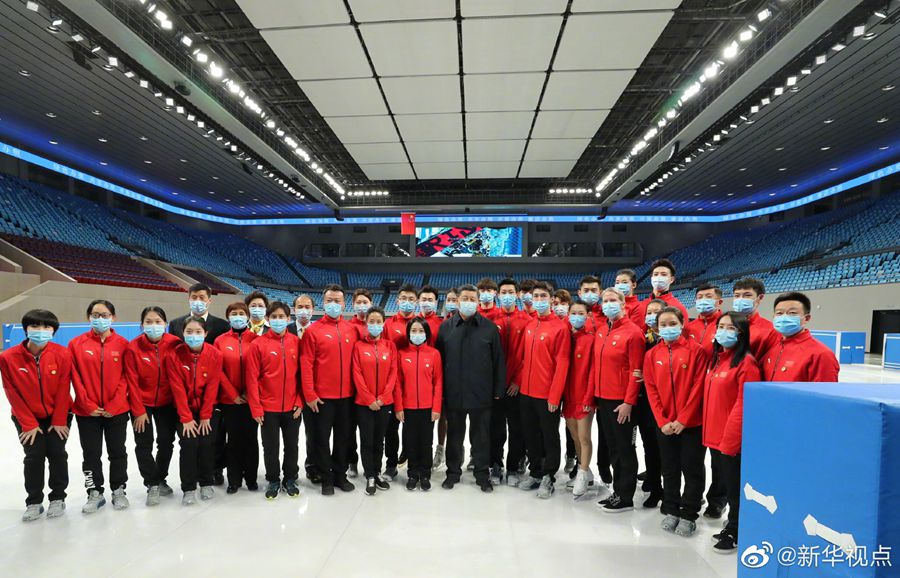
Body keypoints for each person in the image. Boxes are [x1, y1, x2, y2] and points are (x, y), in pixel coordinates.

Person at [642, 307, 709, 537]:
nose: (668, 328)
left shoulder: (697, 351)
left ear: (682, 324)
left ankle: (689, 513)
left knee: (692, 469)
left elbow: (698, 387)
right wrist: (662, 420)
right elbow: (651, 389)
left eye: (672, 323)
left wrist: (683, 419)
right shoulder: (652, 355)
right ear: (657, 327)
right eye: (663, 324)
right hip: (665, 424)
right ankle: (671, 508)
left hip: (691, 424)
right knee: (669, 469)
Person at [1, 309, 73, 522]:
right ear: (26, 329)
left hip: (58, 415)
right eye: (35, 326)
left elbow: (64, 388)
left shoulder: (62, 354)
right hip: (26, 417)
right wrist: (28, 423)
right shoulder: (8, 357)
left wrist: (59, 420)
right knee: (34, 457)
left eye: (46, 326)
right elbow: (11, 391)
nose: (41, 330)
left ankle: (58, 497)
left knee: (57, 454)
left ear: (53, 330)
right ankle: (34, 501)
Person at [436, 284, 505, 492]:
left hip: (481, 394)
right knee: (454, 436)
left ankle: (482, 474)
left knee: (481, 437)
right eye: (464, 298)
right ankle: (453, 473)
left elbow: (498, 361)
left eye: (472, 299)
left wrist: (498, 390)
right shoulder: (445, 328)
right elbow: (439, 363)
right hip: (454, 393)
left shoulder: (489, 328)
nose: (468, 302)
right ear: (457, 301)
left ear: (478, 302)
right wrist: (440, 393)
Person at [583, 288, 645, 513]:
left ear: (623, 304)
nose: (608, 304)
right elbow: (595, 367)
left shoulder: (633, 333)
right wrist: (592, 396)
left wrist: (629, 402)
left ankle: (625, 496)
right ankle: (617, 492)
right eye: (605, 300)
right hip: (603, 399)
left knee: (625, 449)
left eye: (613, 300)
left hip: (621, 402)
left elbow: (636, 371)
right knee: (613, 447)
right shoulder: (602, 331)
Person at [703, 311, 760, 553]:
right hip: (714, 436)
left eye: (730, 327)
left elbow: (744, 404)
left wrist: (731, 440)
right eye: (720, 326)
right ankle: (732, 524)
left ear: (741, 333)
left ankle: (736, 530)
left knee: (734, 488)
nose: (723, 331)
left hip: (730, 439)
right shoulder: (718, 359)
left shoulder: (746, 363)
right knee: (725, 482)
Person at [69, 299, 132, 513]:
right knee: (91, 454)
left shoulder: (123, 344)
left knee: (118, 452)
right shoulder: (76, 344)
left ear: (113, 318)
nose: (100, 319)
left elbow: (126, 377)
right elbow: (75, 376)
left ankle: (119, 489)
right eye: (95, 315)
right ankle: (94, 491)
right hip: (87, 412)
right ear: (88, 317)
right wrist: (86, 403)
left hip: (117, 411)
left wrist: (116, 404)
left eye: (105, 315)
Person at [301, 284, 359, 496]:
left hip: (347, 397)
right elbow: (306, 364)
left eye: (337, 301)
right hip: (322, 398)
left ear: (344, 304)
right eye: (329, 301)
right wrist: (310, 394)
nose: (333, 304)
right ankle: (326, 477)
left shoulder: (351, 330)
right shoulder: (313, 331)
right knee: (322, 440)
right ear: (323, 303)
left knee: (343, 439)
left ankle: (340, 475)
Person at [517, 281, 571, 499]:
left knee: (549, 436)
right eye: (536, 296)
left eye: (543, 296)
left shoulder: (560, 328)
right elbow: (523, 359)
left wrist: (555, 396)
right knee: (531, 435)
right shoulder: (530, 325)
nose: (538, 300)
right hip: (526, 392)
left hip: (547, 394)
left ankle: (549, 475)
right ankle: (535, 472)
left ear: (551, 299)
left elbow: (563, 363)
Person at [245, 301, 303, 500]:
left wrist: (300, 401)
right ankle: (273, 479)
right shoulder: (258, 344)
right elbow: (252, 378)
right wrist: (256, 407)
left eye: (282, 317)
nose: (278, 320)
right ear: (267, 319)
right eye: (274, 317)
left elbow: (302, 375)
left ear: (288, 319)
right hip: (268, 407)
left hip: (292, 407)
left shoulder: (296, 342)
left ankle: (290, 478)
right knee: (270, 447)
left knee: (292, 445)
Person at [125, 306, 181, 506]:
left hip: (167, 402)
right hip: (142, 404)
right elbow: (131, 381)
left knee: (166, 441)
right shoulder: (133, 348)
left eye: (158, 321)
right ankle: (152, 483)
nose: (153, 325)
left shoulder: (175, 343)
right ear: (141, 325)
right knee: (143, 443)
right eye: (148, 322)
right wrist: (138, 411)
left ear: (165, 324)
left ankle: (161, 477)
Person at [166, 317, 222, 505]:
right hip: (184, 411)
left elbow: (212, 386)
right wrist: (186, 418)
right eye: (189, 332)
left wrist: (206, 416)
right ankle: (188, 488)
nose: (193, 335)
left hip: (208, 409)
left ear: (205, 333)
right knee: (188, 445)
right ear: (183, 333)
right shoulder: (174, 355)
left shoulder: (215, 354)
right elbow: (177, 389)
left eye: (198, 332)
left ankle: (206, 482)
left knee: (207, 444)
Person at [351, 307, 399, 496]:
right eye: (371, 321)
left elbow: (393, 373)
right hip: (364, 404)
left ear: (383, 323)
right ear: (366, 323)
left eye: (379, 321)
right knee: (367, 440)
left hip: (385, 403)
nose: (375, 324)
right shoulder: (358, 346)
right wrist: (369, 398)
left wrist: (383, 397)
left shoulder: (390, 346)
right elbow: (357, 374)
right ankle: (369, 475)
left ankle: (377, 472)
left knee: (379, 440)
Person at [214, 302, 259, 494]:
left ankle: (251, 478)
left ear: (247, 316)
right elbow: (218, 370)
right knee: (233, 440)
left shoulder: (256, 340)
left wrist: (250, 393)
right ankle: (234, 479)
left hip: (251, 400)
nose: (238, 316)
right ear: (228, 317)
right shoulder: (220, 341)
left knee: (251, 439)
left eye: (242, 313)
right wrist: (232, 395)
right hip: (229, 400)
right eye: (234, 313)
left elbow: (259, 369)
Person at [490, 278, 530, 487]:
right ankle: (496, 465)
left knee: (517, 430)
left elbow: (529, 355)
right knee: (496, 430)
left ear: (517, 295)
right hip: (495, 386)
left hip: (516, 387)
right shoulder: (489, 320)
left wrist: (518, 380)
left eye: (510, 292)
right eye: (503, 292)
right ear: (498, 295)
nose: (507, 295)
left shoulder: (526, 320)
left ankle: (513, 467)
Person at [396, 318, 443, 491]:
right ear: (408, 333)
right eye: (413, 331)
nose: (417, 334)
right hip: (408, 407)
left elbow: (438, 382)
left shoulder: (434, 354)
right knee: (410, 441)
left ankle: (425, 473)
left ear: (427, 334)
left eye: (421, 331)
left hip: (427, 408)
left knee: (426, 441)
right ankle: (412, 473)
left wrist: (436, 407)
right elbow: (398, 383)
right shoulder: (402, 354)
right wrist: (399, 406)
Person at [577, 275, 612, 486]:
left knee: (606, 431)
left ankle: (604, 466)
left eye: (594, 290)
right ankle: (579, 465)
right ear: (579, 292)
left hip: (605, 384)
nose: (590, 293)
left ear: (599, 292)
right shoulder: (575, 317)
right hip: (582, 384)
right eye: (586, 290)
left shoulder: (606, 317)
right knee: (578, 430)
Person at [383, 284, 419, 479]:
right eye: (403, 298)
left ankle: (412, 459)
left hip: (414, 385)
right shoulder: (388, 324)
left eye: (411, 299)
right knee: (391, 428)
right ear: (397, 301)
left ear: (416, 302)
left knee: (413, 428)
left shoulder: (420, 324)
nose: (407, 302)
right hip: (392, 384)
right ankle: (391, 464)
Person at [763, 292, 840, 382]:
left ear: (806, 318)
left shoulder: (821, 355)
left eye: (792, 313)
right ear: (773, 317)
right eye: (779, 313)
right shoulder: (772, 347)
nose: (784, 317)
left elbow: (825, 390)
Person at [563, 300, 595, 498]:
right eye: (573, 313)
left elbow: (593, 371)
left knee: (584, 437)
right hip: (568, 396)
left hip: (583, 395)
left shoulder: (591, 339)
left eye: (580, 313)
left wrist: (589, 398)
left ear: (588, 315)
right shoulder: (565, 337)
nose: (576, 316)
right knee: (574, 436)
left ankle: (582, 475)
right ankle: (585, 469)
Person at [287, 294, 320, 484]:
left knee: (313, 432)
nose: (304, 310)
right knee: (290, 438)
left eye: (307, 307)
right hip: (289, 392)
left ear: (313, 310)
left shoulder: (317, 331)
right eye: (300, 306)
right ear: (293, 310)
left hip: (312, 391)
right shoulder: (286, 330)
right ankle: (290, 472)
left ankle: (313, 466)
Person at [636, 298, 665, 506]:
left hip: (666, 404)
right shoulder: (643, 338)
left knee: (666, 450)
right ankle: (655, 485)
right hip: (645, 402)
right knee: (649, 447)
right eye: (649, 312)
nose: (652, 316)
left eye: (656, 312)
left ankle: (670, 491)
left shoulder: (670, 341)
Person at [433, 287, 457, 469]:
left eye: (455, 299)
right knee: (443, 416)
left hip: (462, 380)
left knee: (460, 418)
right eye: (448, 299)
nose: (451, 303)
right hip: (444, 378)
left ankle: (458, 450)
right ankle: (440, 449)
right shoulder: (443, 326)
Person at [732, 278, 781, 361]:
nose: (740, 299)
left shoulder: (770, 331)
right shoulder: (724, 325)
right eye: (737, 296)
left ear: (760, 298)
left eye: (747, 295)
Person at [636, 259, 689, 333]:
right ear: (651, 278)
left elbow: (684, 333)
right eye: (655, 274)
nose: (659, 277)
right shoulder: (641, 305)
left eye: (663, 274)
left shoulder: (678, 307)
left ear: (672, 279)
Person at [686, 283, 724, 357]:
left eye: (708, 297)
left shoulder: (726, 326)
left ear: (719, 302)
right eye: (699, 297)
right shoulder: (689, 327)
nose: (703, 300)